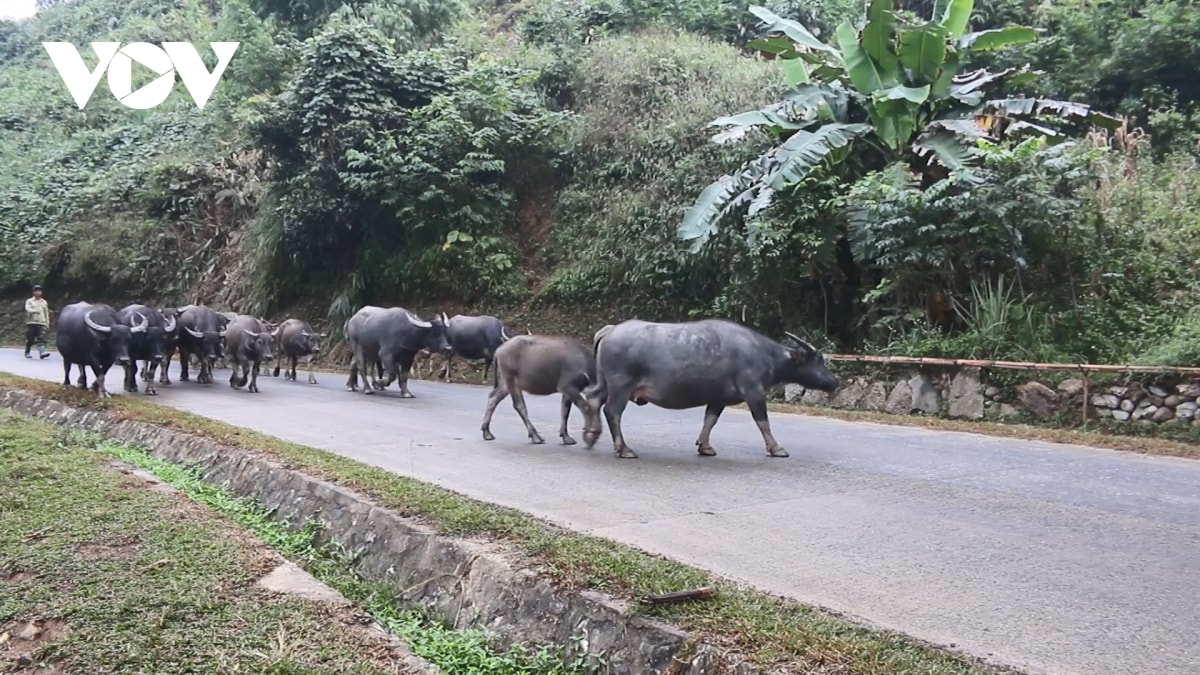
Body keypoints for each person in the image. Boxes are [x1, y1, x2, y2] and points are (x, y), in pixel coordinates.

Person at [24, 285, 51, 359]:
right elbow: (27, 309)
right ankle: (27, 352)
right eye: (36, 291)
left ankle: (42, 353)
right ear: (33, 292)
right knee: (30, 339)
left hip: (41, 322)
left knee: (41, 338)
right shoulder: (29, 301)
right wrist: (34, 311)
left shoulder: (44, 302)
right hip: (31, 322)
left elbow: (46, 313)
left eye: (39, 291)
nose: (38, 292)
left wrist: (47, 323)